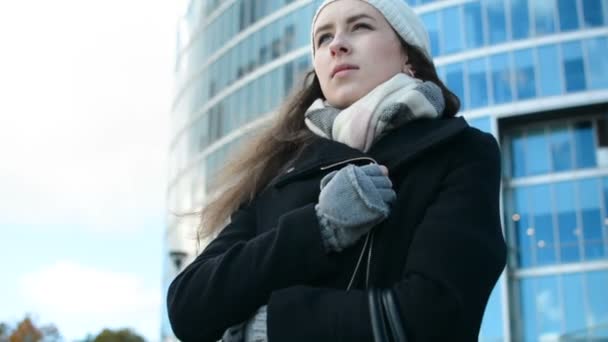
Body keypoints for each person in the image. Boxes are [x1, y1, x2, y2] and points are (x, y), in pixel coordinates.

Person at [167, 0, 507, 341]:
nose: (337, 44)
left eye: (360, 26)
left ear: (409, 56)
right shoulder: (279, 175)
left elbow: (436, 316)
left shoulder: (461, 151)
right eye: (323, 38)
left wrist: (273, 327)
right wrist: (319, 228)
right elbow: (189, 305)